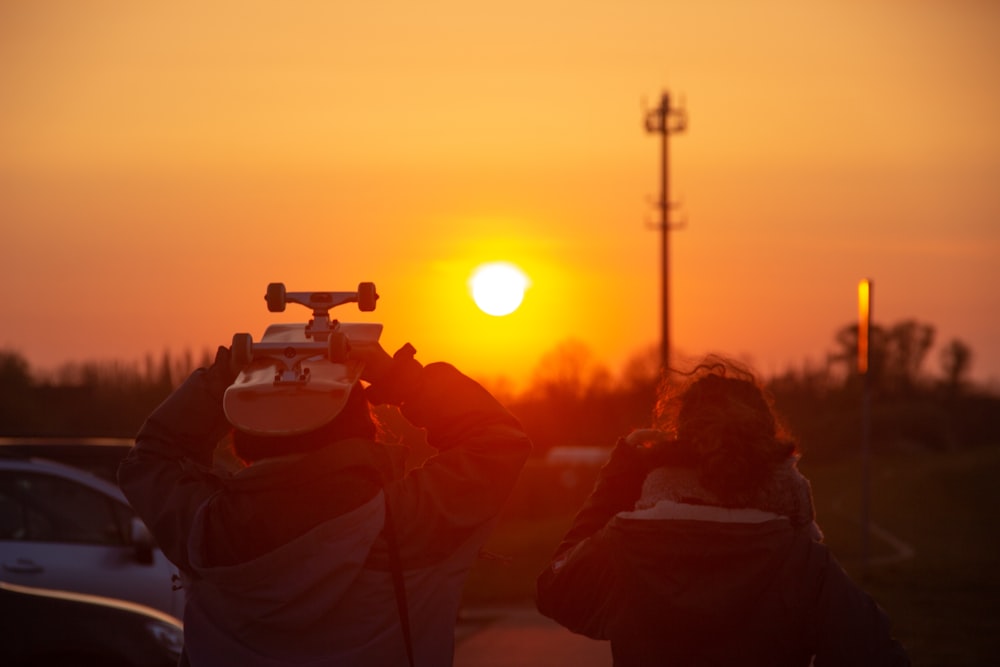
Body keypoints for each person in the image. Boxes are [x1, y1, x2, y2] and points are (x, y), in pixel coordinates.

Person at [119, 338, 531, 667]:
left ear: (244, 429)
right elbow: (497, 439)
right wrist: (397, 377)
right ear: (361, 426)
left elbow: (154, 455)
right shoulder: (406, 522)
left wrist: (229, 375)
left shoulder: (203, 527)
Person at [536, 356, 910, 666]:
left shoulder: (624, 543)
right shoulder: (801, 560)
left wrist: (618, 478)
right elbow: (878, 657)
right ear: (766, 456)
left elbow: (555, 592)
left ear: (680, 446)